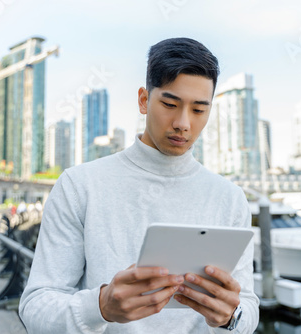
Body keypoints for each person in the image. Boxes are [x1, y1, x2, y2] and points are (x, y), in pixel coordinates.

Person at [19, 37, 259, 333]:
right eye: (170, 104)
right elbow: (35, 307)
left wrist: (231, 317)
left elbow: (247, 304)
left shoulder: (230, 198)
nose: (183, 123)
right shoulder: (80, 185)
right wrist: (100, 306)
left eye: (199, 110)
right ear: (144, 100)